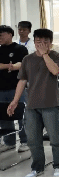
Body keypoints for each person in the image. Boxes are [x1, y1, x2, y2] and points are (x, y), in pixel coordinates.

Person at [7, 28, 59, 177]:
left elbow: (55, 71)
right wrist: (15, 100)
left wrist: (45, 54)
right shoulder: (27, 59)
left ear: (50, 43)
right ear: (34, 42)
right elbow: (22, 80)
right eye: (39, 41)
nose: (42, 44)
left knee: (55, 138)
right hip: (32, 105)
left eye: (46, 42)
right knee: (33, 139)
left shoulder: (56, 56)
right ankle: (37, 167)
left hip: (51, 104)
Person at [0, 25, 29, 153]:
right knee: (4, 116)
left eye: (1, 35)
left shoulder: (20, 49)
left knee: (22, 116)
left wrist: (13, 66)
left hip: (17, 88)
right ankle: (9, 141)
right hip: (1, 88)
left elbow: (22, 65)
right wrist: (9, 66)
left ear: (10, 34)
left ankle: (25, 141)